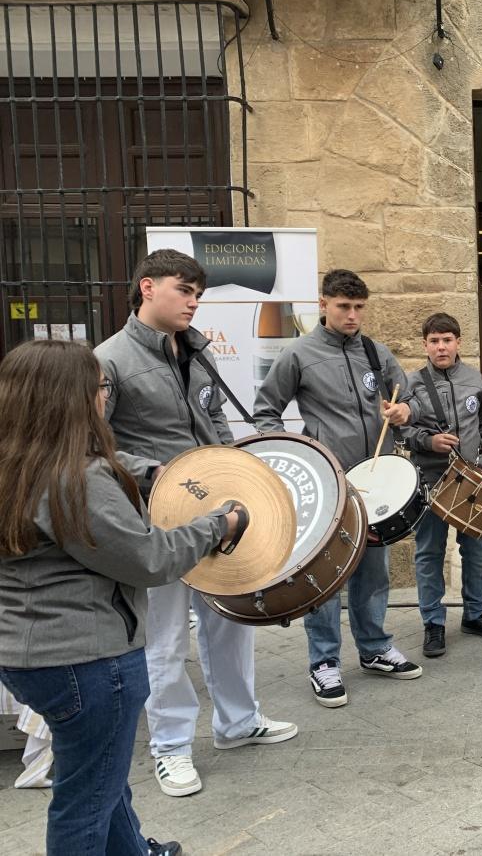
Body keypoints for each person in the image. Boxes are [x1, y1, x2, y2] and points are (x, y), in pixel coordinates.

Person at [0, 339, 245, 856]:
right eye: (101, 387)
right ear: (74, 398)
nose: (104, 397)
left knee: (101, 772)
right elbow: (149, 559)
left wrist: (147, 472)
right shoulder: (78, 480)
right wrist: (216, 524)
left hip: (27, 654)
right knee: (84, 799)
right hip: (87, 659)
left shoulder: (14, 465)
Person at [95, 249, 297, 797]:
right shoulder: (108, 360)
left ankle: (237, 722)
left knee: (229, 624)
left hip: (216, 514)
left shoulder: (195, 352)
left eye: (198, 293)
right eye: (184, 290)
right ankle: (170, 748)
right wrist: (153, 470)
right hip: (155, 522)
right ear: (147, 287)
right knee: (163, 642)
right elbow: (97, 446)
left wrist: (239, 475)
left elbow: (214, 426)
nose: (193, 301)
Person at [254, 269, 423, 708]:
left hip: (373, 482)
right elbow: (265, 411)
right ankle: (324, 663)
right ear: (323, 304)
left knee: (373, 572)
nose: (352, 315)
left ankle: (375, 648)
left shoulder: (375, 351)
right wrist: (298, 456)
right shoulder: (299, 354)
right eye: (344, 307)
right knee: (324, 579)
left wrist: (403, 411)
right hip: (329, 485)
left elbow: (409, 401)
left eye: (359, 307)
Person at [400, 312, 482, 659]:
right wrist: (428, 442)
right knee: (429, 554)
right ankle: (433, 623)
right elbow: (402, 430)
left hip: (472, 478)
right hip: (431, 481)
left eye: (447, 340)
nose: (441, 347)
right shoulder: (412, 382)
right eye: (434, 341)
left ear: (458, 342)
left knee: (477, 552)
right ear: (425, 345)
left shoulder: (474, 378)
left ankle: (474, 615)